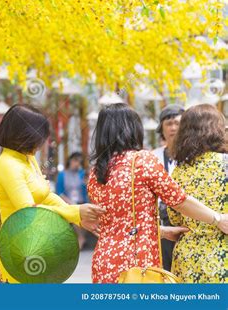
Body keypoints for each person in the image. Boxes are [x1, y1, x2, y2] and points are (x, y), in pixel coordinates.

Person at [87, 103, 228, 283]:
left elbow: (118, 222)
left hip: (103, 261)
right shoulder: (141, 160)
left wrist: (160, 231)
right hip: (137, 263)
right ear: (132, 128)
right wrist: (217, 218)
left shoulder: (96, 171)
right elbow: (178, 200)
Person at [0, 104, 105, 283]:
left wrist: (78, 217)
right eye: (39, 138)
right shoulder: (8, 164)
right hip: (17, 250)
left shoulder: (27, 159)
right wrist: (74, 213)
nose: (41, 143)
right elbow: (29, 212)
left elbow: (46, 196)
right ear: (24, 135)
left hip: (38, 245)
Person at [168, 104, 227, 282]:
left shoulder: (178, 171)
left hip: (188, 258)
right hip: (222, 253)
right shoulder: (225, 163)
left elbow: (175, 218)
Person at [152, 104, 184, 271]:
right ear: (161, 129)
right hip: (162, 221)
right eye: (168, 124)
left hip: (187, 219)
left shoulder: (193, 156)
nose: (173, 128)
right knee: (164, 268)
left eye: (177, 123)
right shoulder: (153, 156)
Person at [56, 152, 88, 248]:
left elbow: (87, 189)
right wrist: (70, 202)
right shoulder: (62, 175)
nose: (77, 163)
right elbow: (60, 192)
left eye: (79, 161)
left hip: (82, 201)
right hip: (67, 201)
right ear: (70, 161)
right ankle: (81, 237)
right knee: (75, 211)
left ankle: (82, 237)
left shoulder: (83, 174)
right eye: (75, 161)